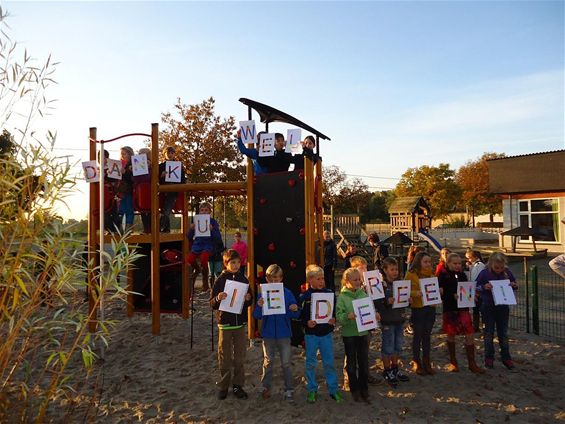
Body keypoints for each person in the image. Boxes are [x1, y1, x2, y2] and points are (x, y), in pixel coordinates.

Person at [252, 264, 301, 401]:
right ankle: (265, 387)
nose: (274, 282)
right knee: (268, 362)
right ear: (267, 279)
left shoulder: (287, 293)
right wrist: (259, 306)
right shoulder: (262, 294)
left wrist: (294, 308)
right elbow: (256, 316)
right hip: (268, 335)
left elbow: (296, 314)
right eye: (272, 279)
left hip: (284, 334)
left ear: (281, 279)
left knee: (286, 363)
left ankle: (289, 389)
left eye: (277, 279)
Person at [209, 249, 253, 400]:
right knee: (225, 357)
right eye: (232, 262)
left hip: (239, 324)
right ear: (226, 263)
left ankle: (238, 385)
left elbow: (250, 300)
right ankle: (224, 386)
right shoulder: (220, 280)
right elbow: (212, 303)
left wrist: (248, 298)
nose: (235, 265)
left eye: (238, 262)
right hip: (225, 325)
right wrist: (218, 298)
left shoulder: (243, 279)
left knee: (240, 356)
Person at [299, 264, 343, 403]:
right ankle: (312, 389)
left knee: (329, 362)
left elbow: (334, 311)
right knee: (311, 363)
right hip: (311, 335)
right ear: (310, 280)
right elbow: (300, 316)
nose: (321, 281)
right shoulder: (304, 296)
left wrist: (333, 319)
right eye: (318, 279)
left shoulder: (329, 293)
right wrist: (306, 323)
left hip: (326, 334)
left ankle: (333, 389)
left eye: (322, 278)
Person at [438, 253, 485, 374]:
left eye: (459, 263)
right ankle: (453, 362)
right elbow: (440, 293)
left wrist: (472, 295)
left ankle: (472, 363)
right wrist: (451, 295)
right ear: (448, 263)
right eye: (455, 263)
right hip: (450, 308)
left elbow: (467, 288)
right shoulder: (442, 275)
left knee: (469, 333)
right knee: (451, 334)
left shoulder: (463, 274)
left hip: (463, 308)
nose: (458, 266)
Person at [476, 252, 518, 370]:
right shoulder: (484, 273)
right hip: (488, 306)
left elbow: (515, 284)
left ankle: (506, 358)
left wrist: (513, 285)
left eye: (501, 267)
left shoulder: (507, 273)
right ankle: (489, 358)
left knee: (503, 333)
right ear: (490, 264)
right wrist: (484, 287)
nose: (499, 270)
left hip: (503, 306)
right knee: (488, 333)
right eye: (496, 268)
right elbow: (475, 287)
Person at [336, 268, 370, 403]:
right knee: (351, 363)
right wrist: (347, 316)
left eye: (359, 279)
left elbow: (370, 310)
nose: (358, 282)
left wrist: (375, 315)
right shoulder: (342, 297)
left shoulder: (363, 294)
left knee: (363, 361)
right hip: (349, 334)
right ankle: (354, 389)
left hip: (363, 333)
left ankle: (364, 388)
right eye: (355, 280)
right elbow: (339, 316)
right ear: (347, 281)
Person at [375, 257, 410, 387]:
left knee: (398, 345)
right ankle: (387, 369)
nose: (395, 272)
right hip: (387, 321)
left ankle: (395, 368)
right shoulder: (381, 286)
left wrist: (408, 300)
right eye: (392, 269)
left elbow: (403, 300)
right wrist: (386, 302)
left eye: (396, 269)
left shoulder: (400, 284)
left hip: (399, 319)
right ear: (385, 270)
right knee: (388, 346)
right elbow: (377, 303)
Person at [406, 251, 436, 375]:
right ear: (419, 262)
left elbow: (434, 289)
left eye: (429, 261)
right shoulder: (411, 274)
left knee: (427, 335)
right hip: (418, 308)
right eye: (425, 262)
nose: (428, 264)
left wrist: (438, 290)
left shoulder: (432, 274)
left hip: (431, 307)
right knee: (418, 335)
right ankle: (416, 360)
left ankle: (427, 360)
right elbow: (404, 289)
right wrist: (415, 293)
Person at [187, 202, 222, 292]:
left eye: (206, 210)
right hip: (197, 244)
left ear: (210, 211)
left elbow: (218, 237)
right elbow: (189, 236)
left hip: (208, 244)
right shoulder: (196, 221)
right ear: (199, 211)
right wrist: (191, 229)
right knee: (190, 259)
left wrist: (212, 230)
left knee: (204, 259)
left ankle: (205, 280)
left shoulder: (213, 222)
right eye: (202, 210)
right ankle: (197, 269)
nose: (204, 212)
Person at [158, 146, 186, 233]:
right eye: (168, 153)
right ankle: (166, 229)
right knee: (165, 209)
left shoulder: (179, 166)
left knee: (167, 208)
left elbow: (183, 180)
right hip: (163, 191)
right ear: (164, 154)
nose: (170, 155)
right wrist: (161, 176)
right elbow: (156, 179)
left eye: (172, 153)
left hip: (173, 191)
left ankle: (160, 227)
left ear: (174, 154)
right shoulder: (161, 166)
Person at [132, 147, 152, 233]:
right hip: (140, 191)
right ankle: (146, 229)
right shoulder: (136, 165)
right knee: (142, 210)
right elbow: (134, 178)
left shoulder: (152, 165)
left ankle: (152, 229)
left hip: (149, 191)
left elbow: (151, 177)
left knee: (150, 210)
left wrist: (149, 167)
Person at [466, 249, 486, 331]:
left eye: (469, 258)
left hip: (478, 290)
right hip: (473, 289)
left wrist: (477, 290)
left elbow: (477, 277)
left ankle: (484, 325)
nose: (468, 260)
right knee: (475, 309)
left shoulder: (480, 265)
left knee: (481, 309)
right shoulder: (474, 265)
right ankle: (476, 326)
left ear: (475, 257)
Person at [117, 146, 135, 232]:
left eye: (124, 154)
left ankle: (129, 227)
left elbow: (133, 178)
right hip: (121, 191)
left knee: (129, 208)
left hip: (129, 190)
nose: (123, 156)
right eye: (121, 154)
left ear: (130, 154)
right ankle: (121, 226)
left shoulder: (133, 164)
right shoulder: (119, 164)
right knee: (121, 209)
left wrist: (126, 172)